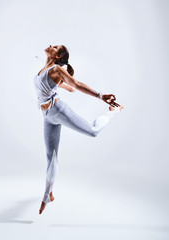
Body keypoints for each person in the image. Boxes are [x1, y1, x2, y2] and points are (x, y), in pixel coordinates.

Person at [33, 44, 124, 214]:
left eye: (55, 47)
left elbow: (76, 83)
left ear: (58, 56)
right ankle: (48, 194)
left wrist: (100, 96)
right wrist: (66, 86)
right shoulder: (45, 70)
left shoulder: (56, 69)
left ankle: (113, 112)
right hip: (47, 116)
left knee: (93, 131)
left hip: (57, 110)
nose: (51, 45)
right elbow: (57, 85)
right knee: (50, 157)